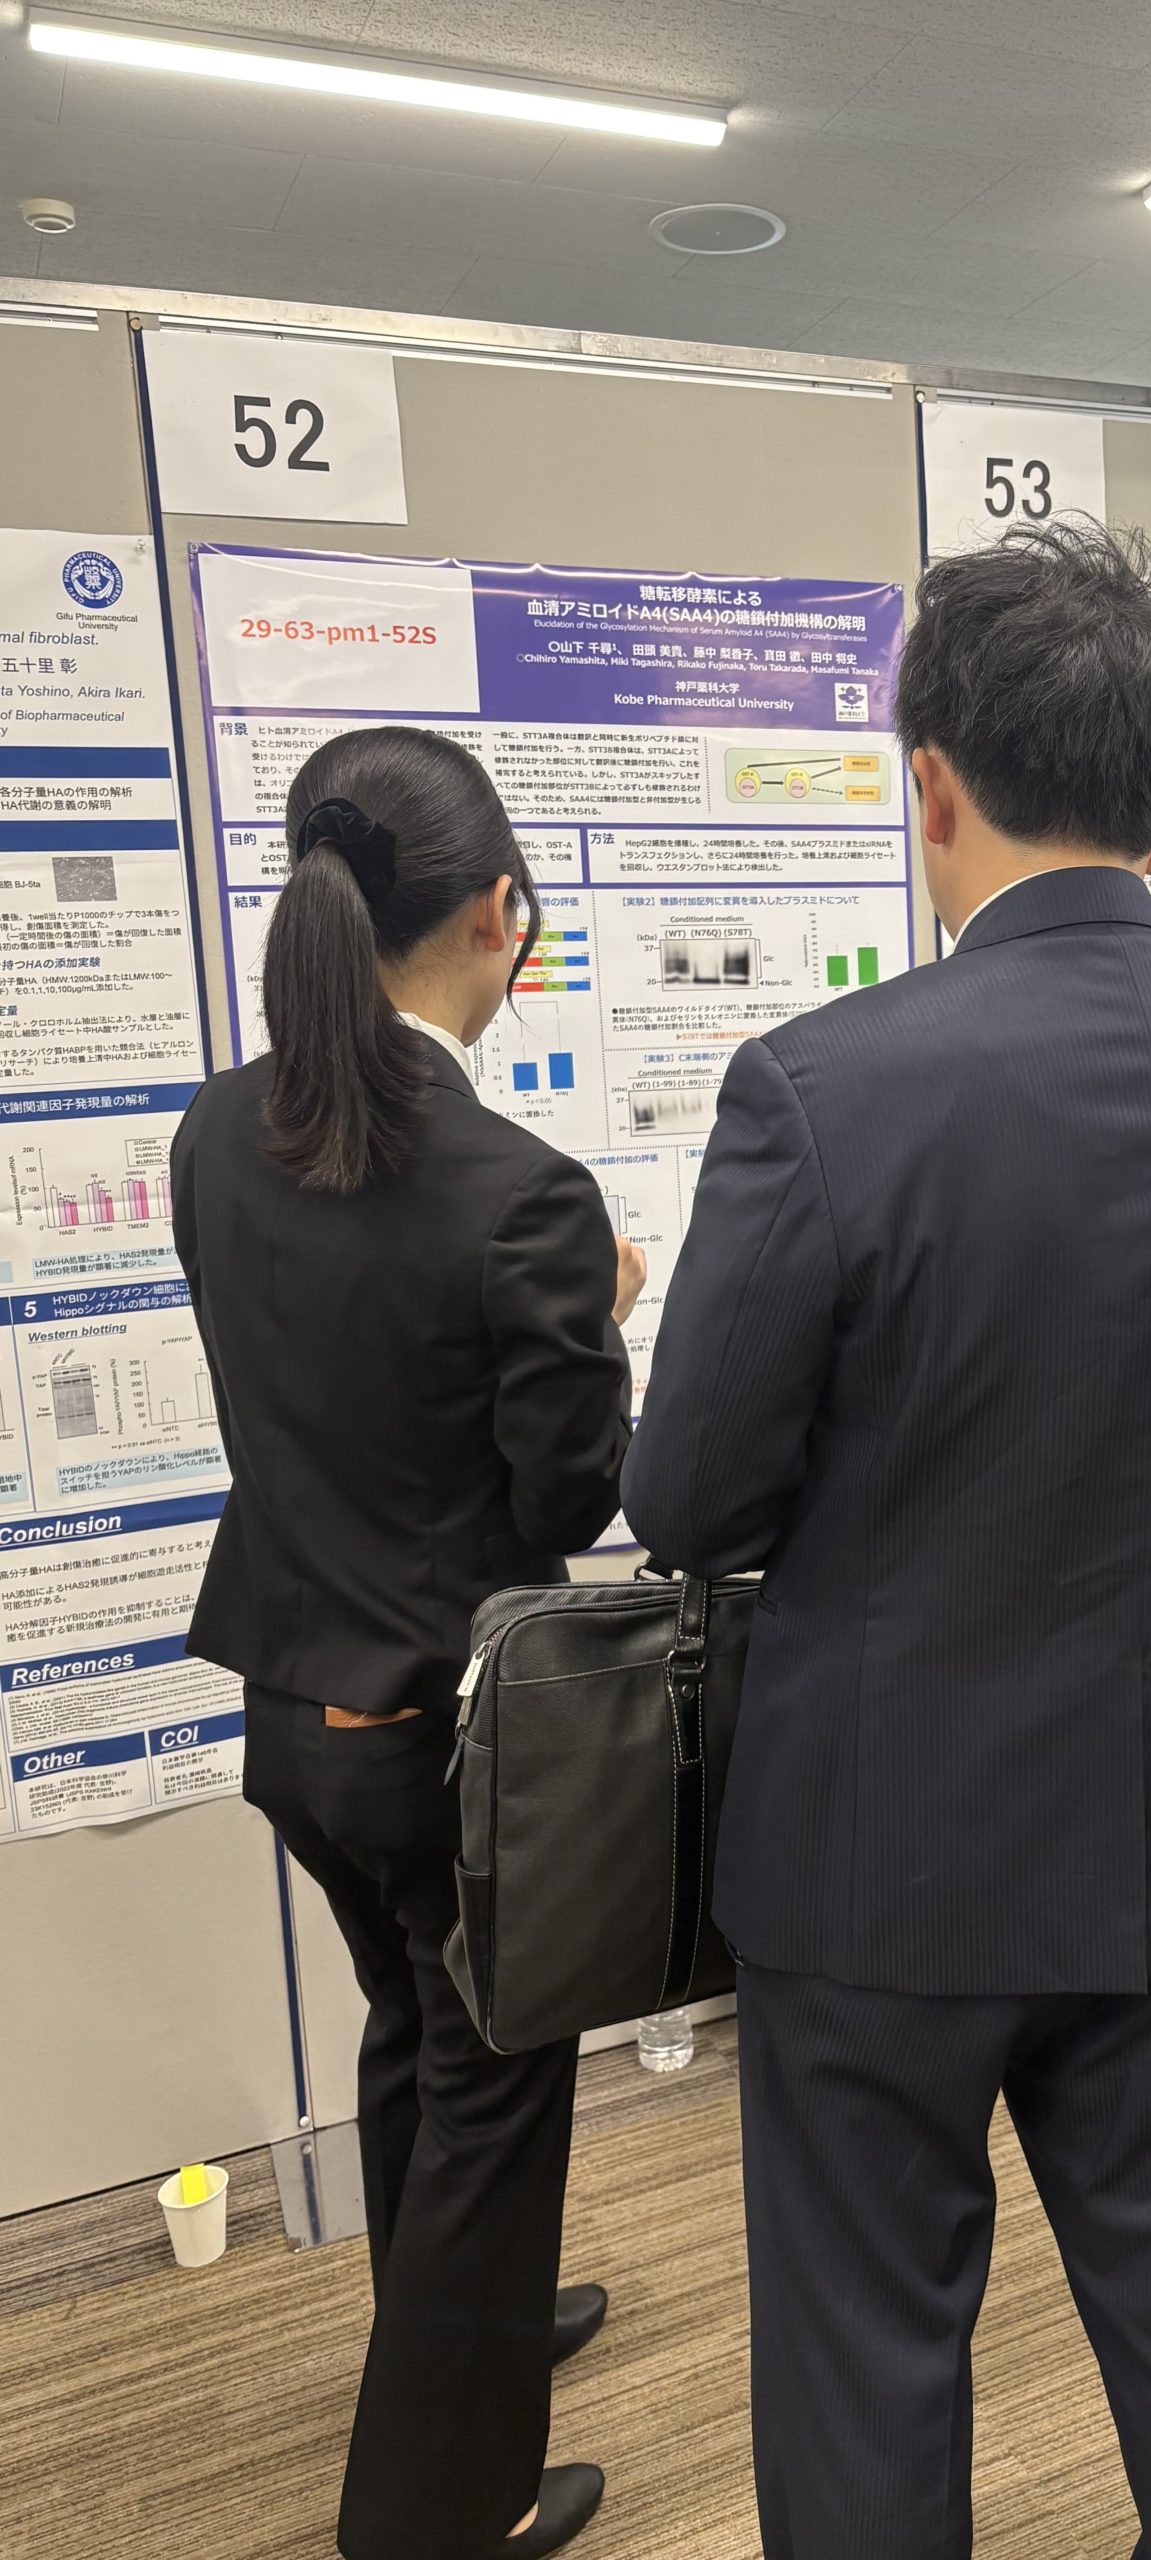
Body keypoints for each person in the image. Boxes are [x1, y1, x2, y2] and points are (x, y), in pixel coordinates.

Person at [623, 520, 1151, 2560]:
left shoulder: (822, 1088)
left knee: (870, 2342)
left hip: (888, 1826)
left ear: (931, 780)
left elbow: (688, 1499)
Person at [173, 727, 643, 2560]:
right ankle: (448, 2507)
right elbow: (565, 1497)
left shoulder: (219, 1129)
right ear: (498, 913)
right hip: (447, 1734)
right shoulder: (519, 1191)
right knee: (494, 2079)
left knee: (417, 2031)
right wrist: (599, 1315)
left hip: (294, 1708)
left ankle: (465, 2319)